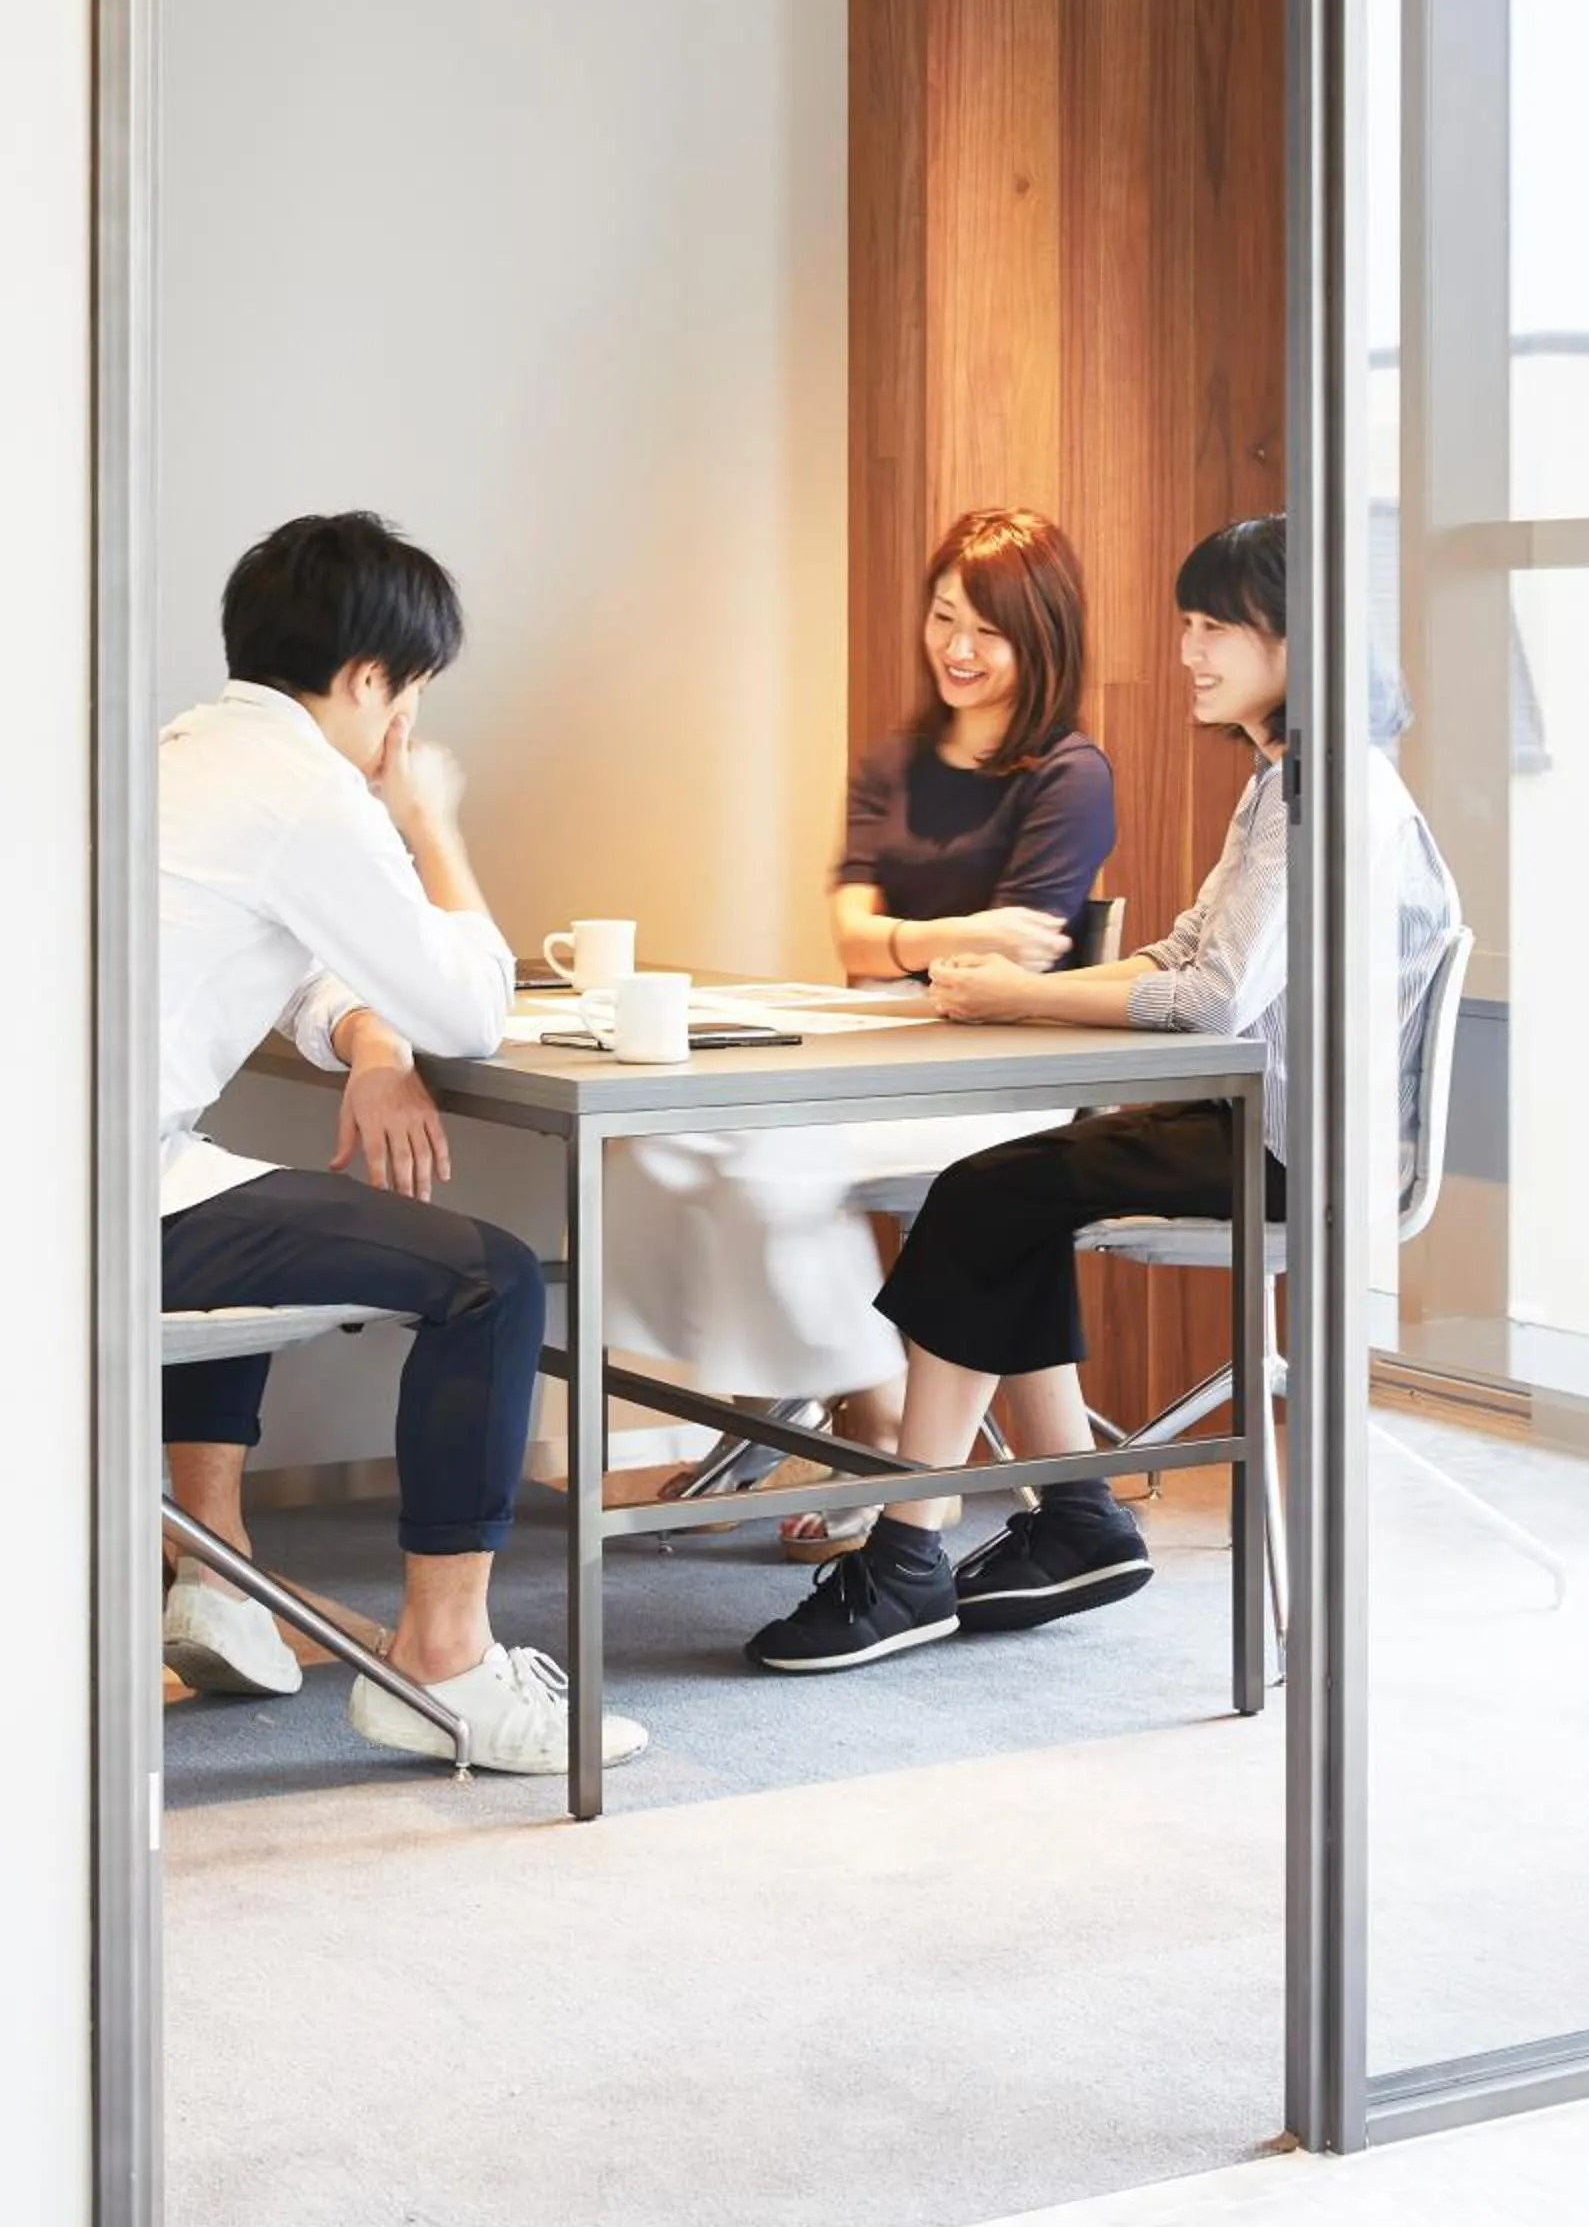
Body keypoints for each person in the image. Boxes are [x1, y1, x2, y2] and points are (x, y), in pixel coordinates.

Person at [744, 512, 1458, 1674]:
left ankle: (911, 1547)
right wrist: (1010, 994)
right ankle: (1070, 1517)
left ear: (1293, 639)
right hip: (1278, 1121)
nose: (1187, 649)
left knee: (982, 1197)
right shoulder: (1295, 774)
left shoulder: (1311, 789)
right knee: (999, 1193)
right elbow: (1184, 955)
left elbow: (1209, 1002)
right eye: (1186, 623)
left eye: (1213, 626)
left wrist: (1010, 999)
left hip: (1290, 1144)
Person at [159, 510, 646, 1777]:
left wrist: (372, 1049)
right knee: (489, 1275)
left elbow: (303, 965)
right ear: (372, 679)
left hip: (87, 1176)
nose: (405, 726)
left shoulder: (184, 753)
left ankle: (210, 1576)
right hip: (92, 1207)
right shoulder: (313, 792)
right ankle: (444, 1662)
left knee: (249, 1204)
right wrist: (428, 820)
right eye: (411, 694)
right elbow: (472, 1007)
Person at [602, 508, 1117, 1548]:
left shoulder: (1069, 774)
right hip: (881, 1038)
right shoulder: (893, 760)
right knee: (664, 1135)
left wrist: (912, 939)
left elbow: (1012, 960)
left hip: (1001, 1073)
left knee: (774, 1158)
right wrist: (948, 935)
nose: (956, 650)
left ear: (1042, 639)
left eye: (988, 631)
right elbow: (848, 935)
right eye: (942, 619)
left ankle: (867, 1410)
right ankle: (819, 1398)